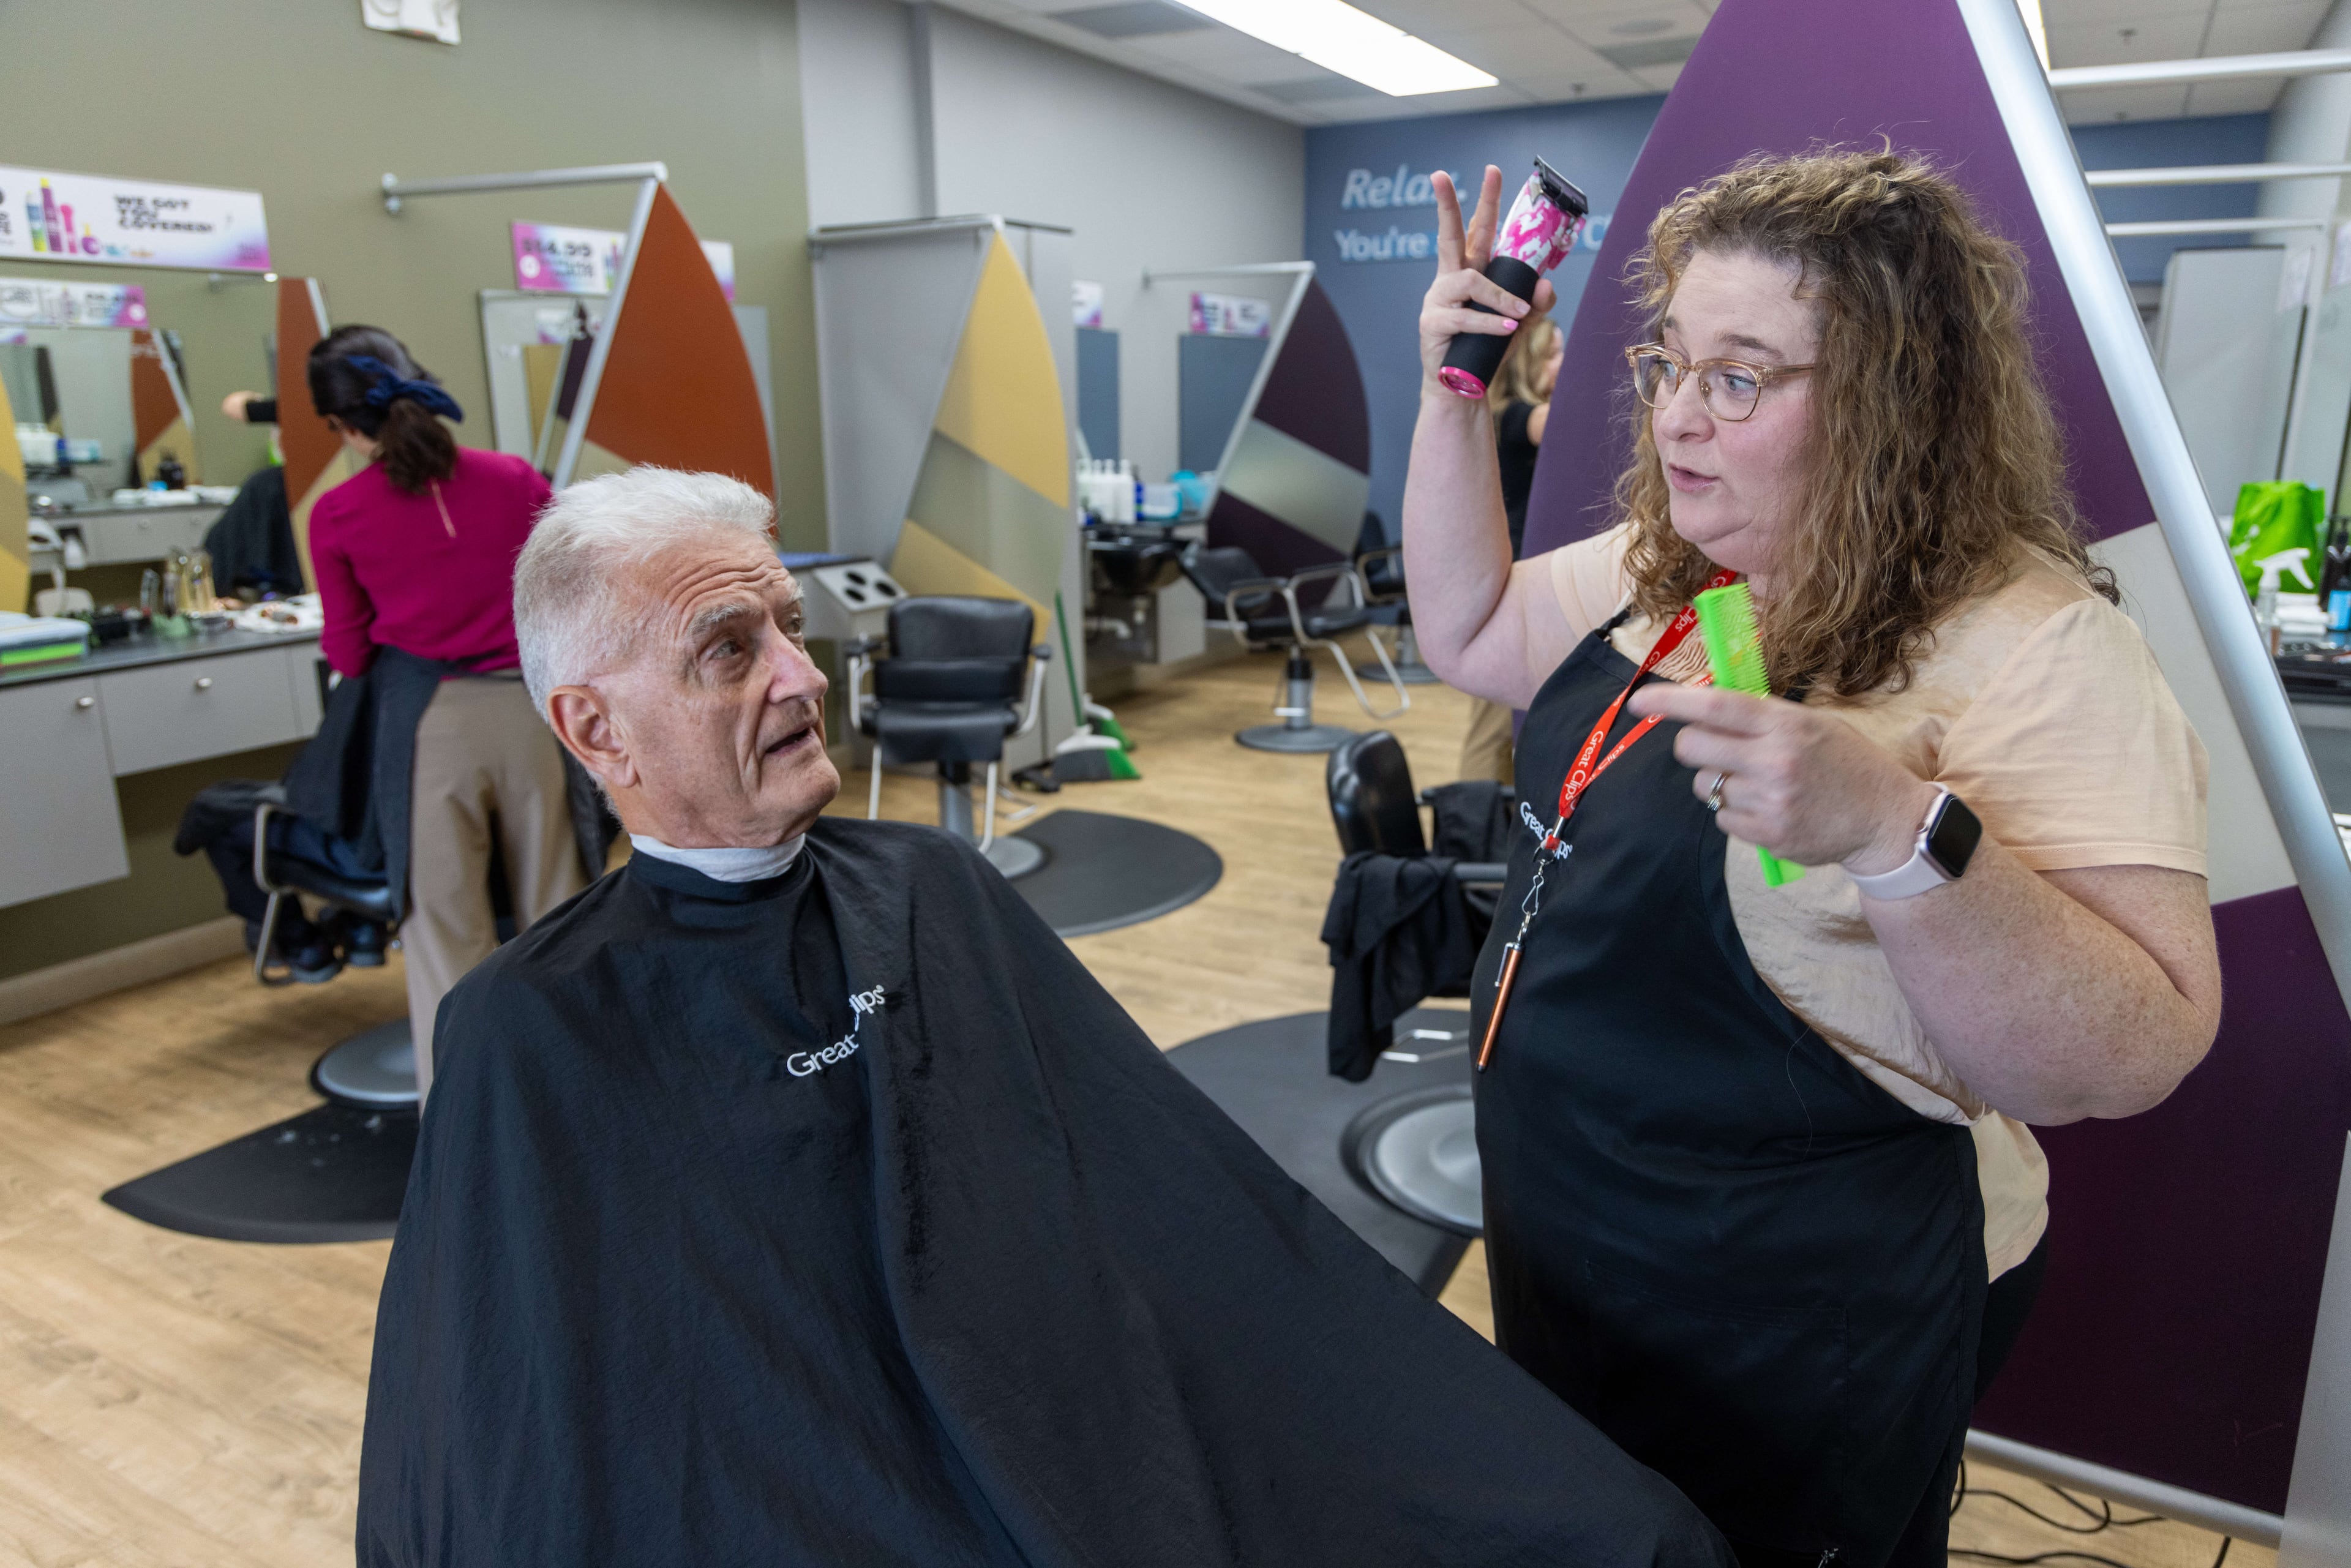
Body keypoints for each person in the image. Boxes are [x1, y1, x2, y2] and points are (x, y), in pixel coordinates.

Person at [355, 466, 1736, 1568]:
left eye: (787, 622)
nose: (802, 673)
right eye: (730, 649)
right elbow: (523, 1431)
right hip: (850, 1496)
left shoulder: (930, 885)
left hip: (1083, 1408)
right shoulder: (528, 1030)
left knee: (1618, 1530)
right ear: (597, 731)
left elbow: (1161, 1191)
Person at [1403, 152, 2221, 1567]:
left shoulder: (2034, 651)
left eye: (1737, 377)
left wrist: (1897, 834)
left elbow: (2128, 1052)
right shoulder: (1679, 568)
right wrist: (1453, 389)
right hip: (1575, 1232)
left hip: (1802, 1304)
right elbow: (1467, 631)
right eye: (1669, 360)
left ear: (1892, 401)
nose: (1672, 416)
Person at [306, 325, 593, 1099]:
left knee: (445, 937)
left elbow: (351, 656)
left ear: (340, 424)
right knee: (560, 915)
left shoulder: (337, 514)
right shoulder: (516, 478)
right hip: (538, 719)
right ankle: (582, 1093)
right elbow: (570, 593)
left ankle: (465, 1118)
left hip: (430, 728)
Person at [1459, 310, 1564, 784]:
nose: (1565, 363)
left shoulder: (1505, 417)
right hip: (1509, 583)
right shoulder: (1520, 417)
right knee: (1492, 725)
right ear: (1529, 363)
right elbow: (1569, 424)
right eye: (1555, 354)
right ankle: (1470, 825)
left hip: (1512, 579)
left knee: (1502, 722)